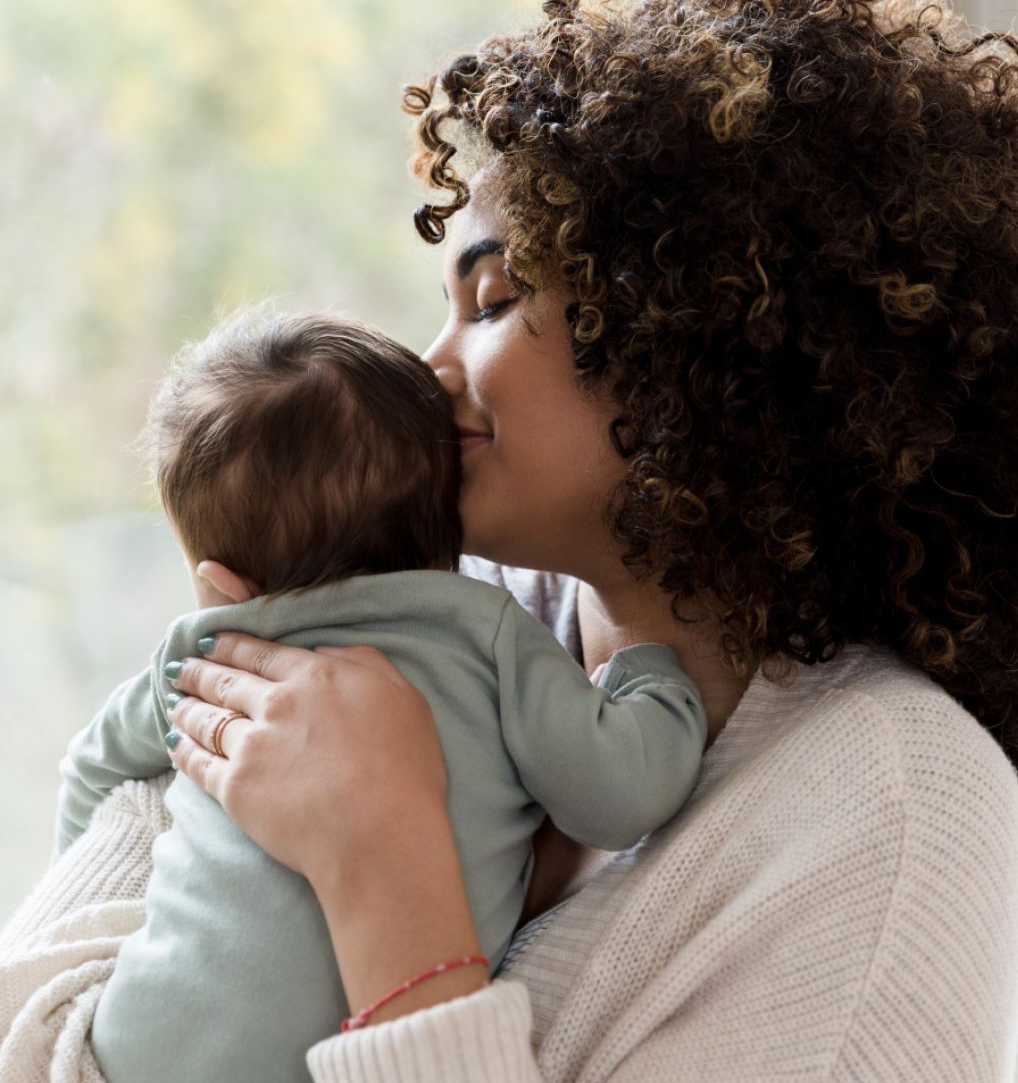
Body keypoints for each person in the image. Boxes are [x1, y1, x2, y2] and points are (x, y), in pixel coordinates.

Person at [0, 0, 1018, 1083]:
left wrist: (387, 876)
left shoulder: (891, 809)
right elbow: (29, 1028)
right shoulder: (428, 600)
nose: (426, 368)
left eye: (496, 297)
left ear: (713, 339)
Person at [55, 310, 705, 1083]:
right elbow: (621, 797)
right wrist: (653, 674)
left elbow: (91, 771)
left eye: (489, 301)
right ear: (449, 527)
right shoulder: (486, 635)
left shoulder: (204, 654)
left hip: (131, 1045)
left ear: (221, 586)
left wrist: (100, 925)